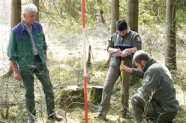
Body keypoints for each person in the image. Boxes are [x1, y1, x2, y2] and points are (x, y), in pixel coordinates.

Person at [7, 4, 63, 123]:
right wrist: (16, 70)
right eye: (31, 16)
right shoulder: (16, 31)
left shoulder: (38, 26)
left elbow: (43, 43)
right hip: (25, 65)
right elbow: (11, 53)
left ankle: (52, 113)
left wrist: (45, 55)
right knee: (29, 92)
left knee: (48, 87)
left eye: (35, 16)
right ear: (24, 16)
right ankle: (32, 117)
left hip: (39, 62)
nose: (34, 18)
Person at [95, 19, 142, 119]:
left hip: (127, 65)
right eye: (119, 32)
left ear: (127, 29)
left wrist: (128, 50)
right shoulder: (114, 36)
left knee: (125, 89)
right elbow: (108, 48)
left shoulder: (134, 35)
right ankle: (102, 112)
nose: (121, 34)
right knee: (107, 86)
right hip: (114, 64)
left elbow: (138, 48)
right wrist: (115, 50)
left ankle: (124, 112)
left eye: (123, 32)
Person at [120, 50, 179, 123]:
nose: (138, 68)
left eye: (137, 66)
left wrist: (138, 90)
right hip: (171, 109)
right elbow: (145, 74)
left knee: (135, 99)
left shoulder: (152, 71)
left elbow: (144, 94)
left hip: (164, 110)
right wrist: (130, 70)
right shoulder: (158, 66)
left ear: (143, 62)